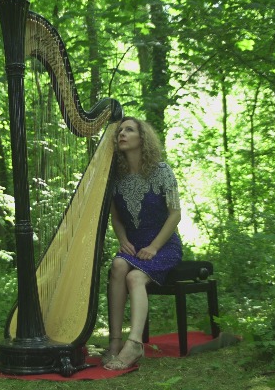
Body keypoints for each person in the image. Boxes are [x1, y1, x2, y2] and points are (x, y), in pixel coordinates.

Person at [102, 117, 183, 370]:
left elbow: (175, 214)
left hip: (164, 246)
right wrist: (123, 240)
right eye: (119, 131)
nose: (122, 134)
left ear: (142, 138)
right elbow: (116, 218)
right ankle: (115, 342)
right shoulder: (115, 177)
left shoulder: (162, 171)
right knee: (118, 265)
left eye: (129, 130)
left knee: (135, 277)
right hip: (134, 246)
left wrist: (155, 247)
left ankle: (134, 344)